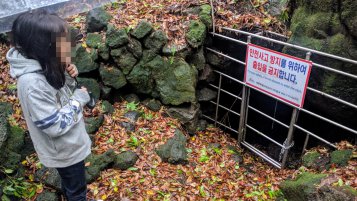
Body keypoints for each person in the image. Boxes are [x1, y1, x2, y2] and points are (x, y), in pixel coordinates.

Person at [6, 9, 92, 201]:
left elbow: (59, 94)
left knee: (72, 184)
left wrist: (68, 75)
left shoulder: (43, 65)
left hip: (68, 144)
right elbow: (54, 124)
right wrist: (80, 99)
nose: (68, 44)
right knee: (76, 189)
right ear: (43, 46)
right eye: (62, 40)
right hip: (63, 149)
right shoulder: (32, 84)